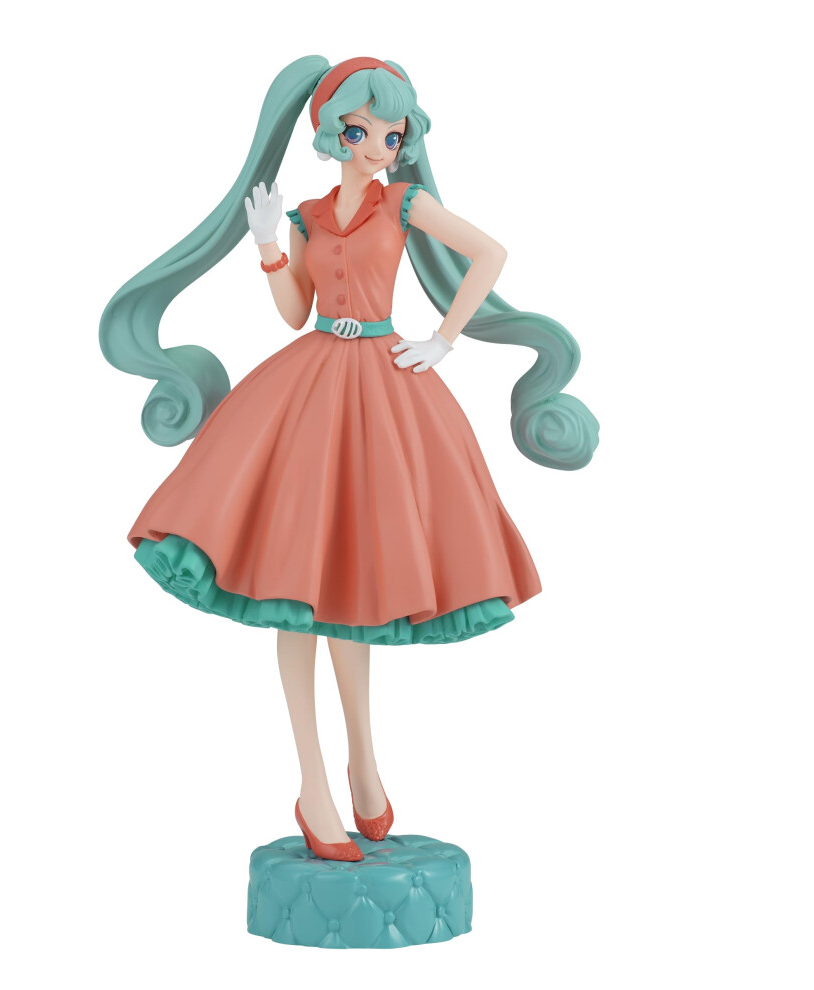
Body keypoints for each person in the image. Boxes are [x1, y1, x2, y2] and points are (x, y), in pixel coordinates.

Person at [99, 56, 599, 862]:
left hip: (384, 382)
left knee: (353, 578)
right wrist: (269, 244)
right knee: (293, 581)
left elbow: (490, 254)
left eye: (393, 134)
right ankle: (314, 785)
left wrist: (445, 338)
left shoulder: (404, 203)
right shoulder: (306, 215)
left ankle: (362, 763)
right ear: (336, 133)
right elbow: (295, 312)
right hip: (309, 387)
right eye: (366, 130)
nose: (380, 145)